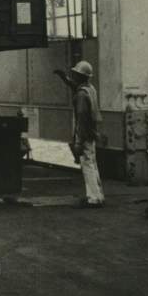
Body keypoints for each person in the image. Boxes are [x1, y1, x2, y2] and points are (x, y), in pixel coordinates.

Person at [53, 60, 105, 208]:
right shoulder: (90, 89)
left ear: (81, 76)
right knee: (93, 164)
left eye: (75, 74)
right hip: (92, 132)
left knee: (87, 165)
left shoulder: (82, 95)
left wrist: (78, 141)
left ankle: (93, 198)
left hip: (85, 133)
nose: (73, 76)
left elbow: (81, 117)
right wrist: (65, 79)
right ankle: (98, 195)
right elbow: (77, 87)